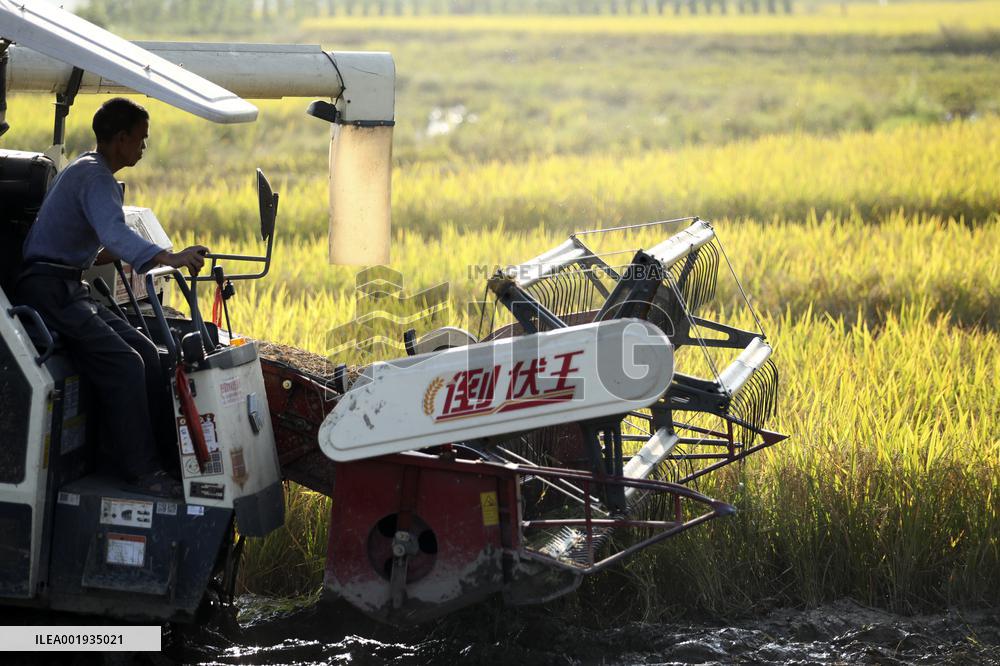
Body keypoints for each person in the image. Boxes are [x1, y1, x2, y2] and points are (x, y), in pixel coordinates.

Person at [15, 97, 208, 498]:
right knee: (125, 363)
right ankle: (142, 471)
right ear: (120, 139)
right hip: (49, 288)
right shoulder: (96, 176)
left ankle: (163, 460)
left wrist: (139, 253)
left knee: (148, 351)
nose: (143, 147)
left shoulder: (87, 169)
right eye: (141, 139)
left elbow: (96, 241)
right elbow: (115, 234)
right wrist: (169, 256)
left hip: (68, 285)